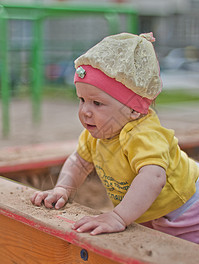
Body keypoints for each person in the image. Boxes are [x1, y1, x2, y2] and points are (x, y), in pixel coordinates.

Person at [31, 32, 199, 243]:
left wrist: (118, 216)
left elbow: (153, 177)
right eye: (82, 99)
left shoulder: (143, 134)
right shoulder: (96, 134)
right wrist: (63, 189)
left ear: (135, 110)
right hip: (149, 211)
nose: (85, 111)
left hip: (187, 211)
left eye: (97, 103)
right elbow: (79, 161)